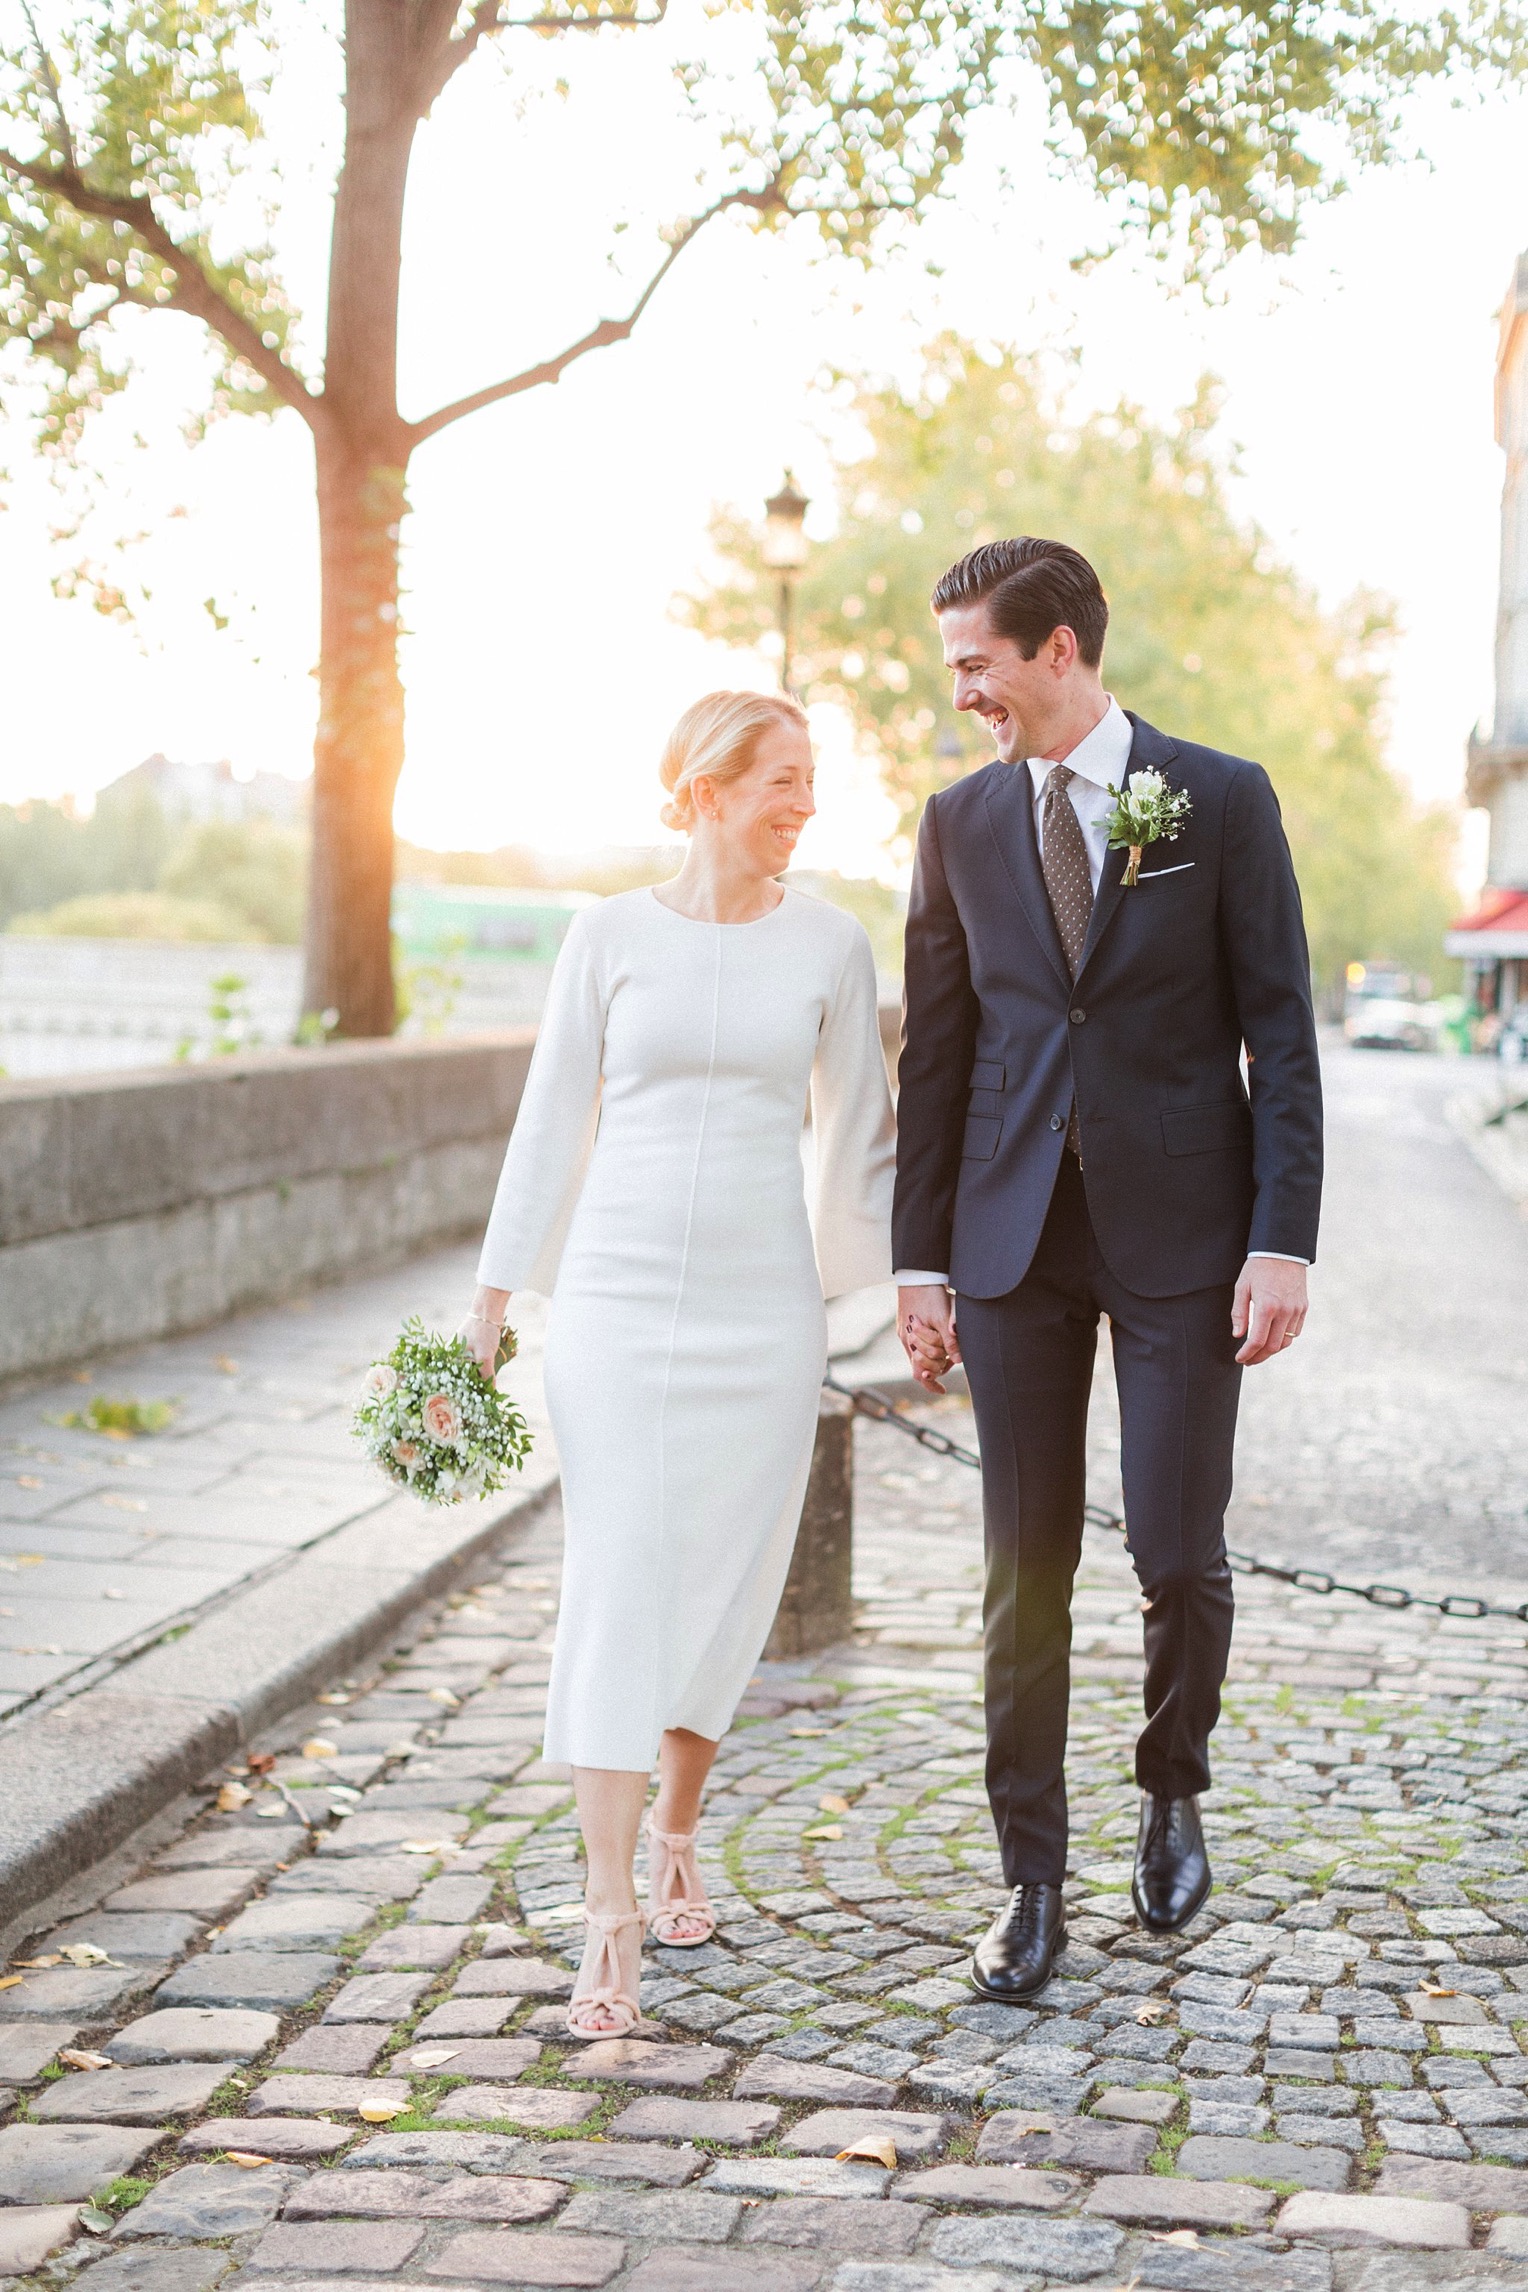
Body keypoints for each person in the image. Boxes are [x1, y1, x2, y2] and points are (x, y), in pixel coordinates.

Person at [893, 538, 1322, 1998]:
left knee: (1174, 1549)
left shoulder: (1221, 797)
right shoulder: (956, 824)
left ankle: (1171, 1788)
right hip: (1010, 1240)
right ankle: (1029, 1878)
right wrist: (917, 1265)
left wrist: (1282, 1236)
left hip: (1187, 1242)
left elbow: (1283, 1032)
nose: (963, 693)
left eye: (977, 663)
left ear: (1059, 649)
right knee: (1025, 1565)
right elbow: (938, 1057)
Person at [461, 690, 895, 2035]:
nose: (804, 804)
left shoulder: (834, 945)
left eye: (813, 781)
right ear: (705, 789)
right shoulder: (606, 935)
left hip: (763, 1311)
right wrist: (490, 1310)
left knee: (724, 1582)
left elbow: (859, 1139)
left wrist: (870, 1307)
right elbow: (548, 1125)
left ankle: (681, 1832)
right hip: (615, 1302)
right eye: (782, 780)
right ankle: (606, 1905)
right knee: (619, 1578)